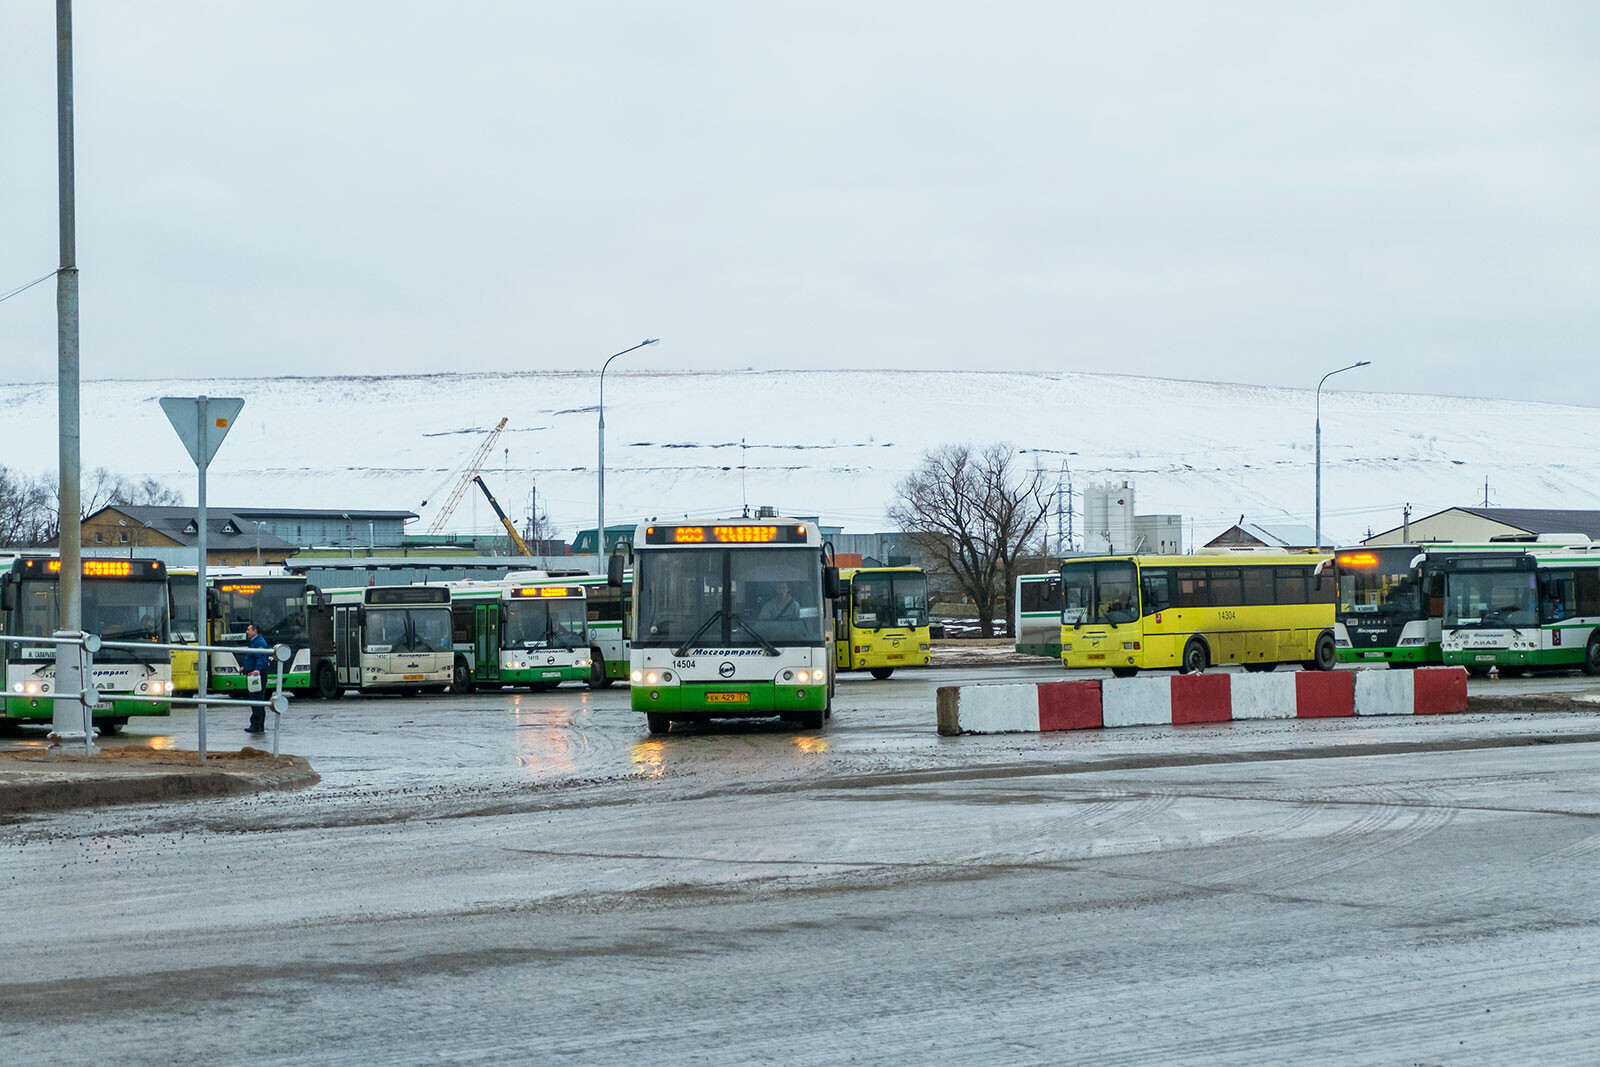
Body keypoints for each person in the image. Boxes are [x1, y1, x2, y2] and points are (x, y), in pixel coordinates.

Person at [241, 622, 270, 733]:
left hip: (258, 676)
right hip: (254, 674)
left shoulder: (259, 642)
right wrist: (245, 667)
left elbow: (261, 657)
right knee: (256, 699)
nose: (247, 632)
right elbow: (253, 658)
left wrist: (257, 669)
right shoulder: (255, 642)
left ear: (255, 631)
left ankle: (257, 725)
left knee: (256, 699)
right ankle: (257, 724)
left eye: (249, 630)